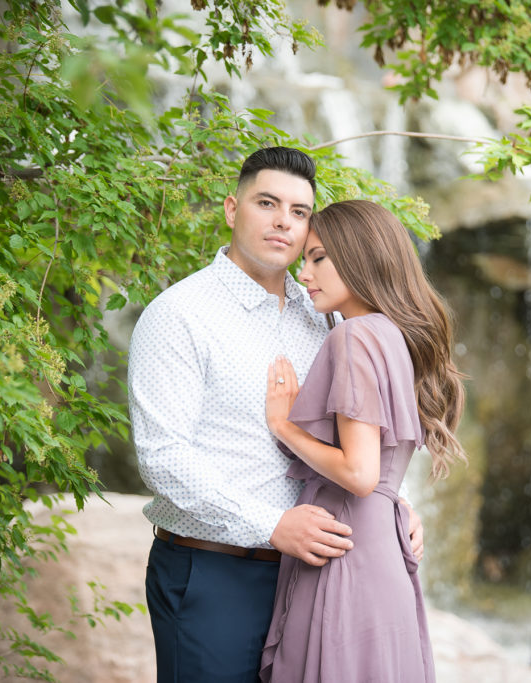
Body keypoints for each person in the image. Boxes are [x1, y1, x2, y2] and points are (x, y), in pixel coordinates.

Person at [127, 147, 423, 682]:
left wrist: (391, 503)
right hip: (214, 573)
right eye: (267, 202)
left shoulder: (326, 316)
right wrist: (273, 525)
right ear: (231, 209)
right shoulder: (179, 315)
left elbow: (353, 438)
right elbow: (162, 457)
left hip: (316, 576)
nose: (283, 221)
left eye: (299, 211)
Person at [259, 200, 466, 682]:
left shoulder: (353, 337)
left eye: (318, 258)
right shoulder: (395, 335)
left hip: (344, 548)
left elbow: (359, 473)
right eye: (304, 259)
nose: (304, 272)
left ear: (360, 257)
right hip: (381, 550)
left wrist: (283, 425)